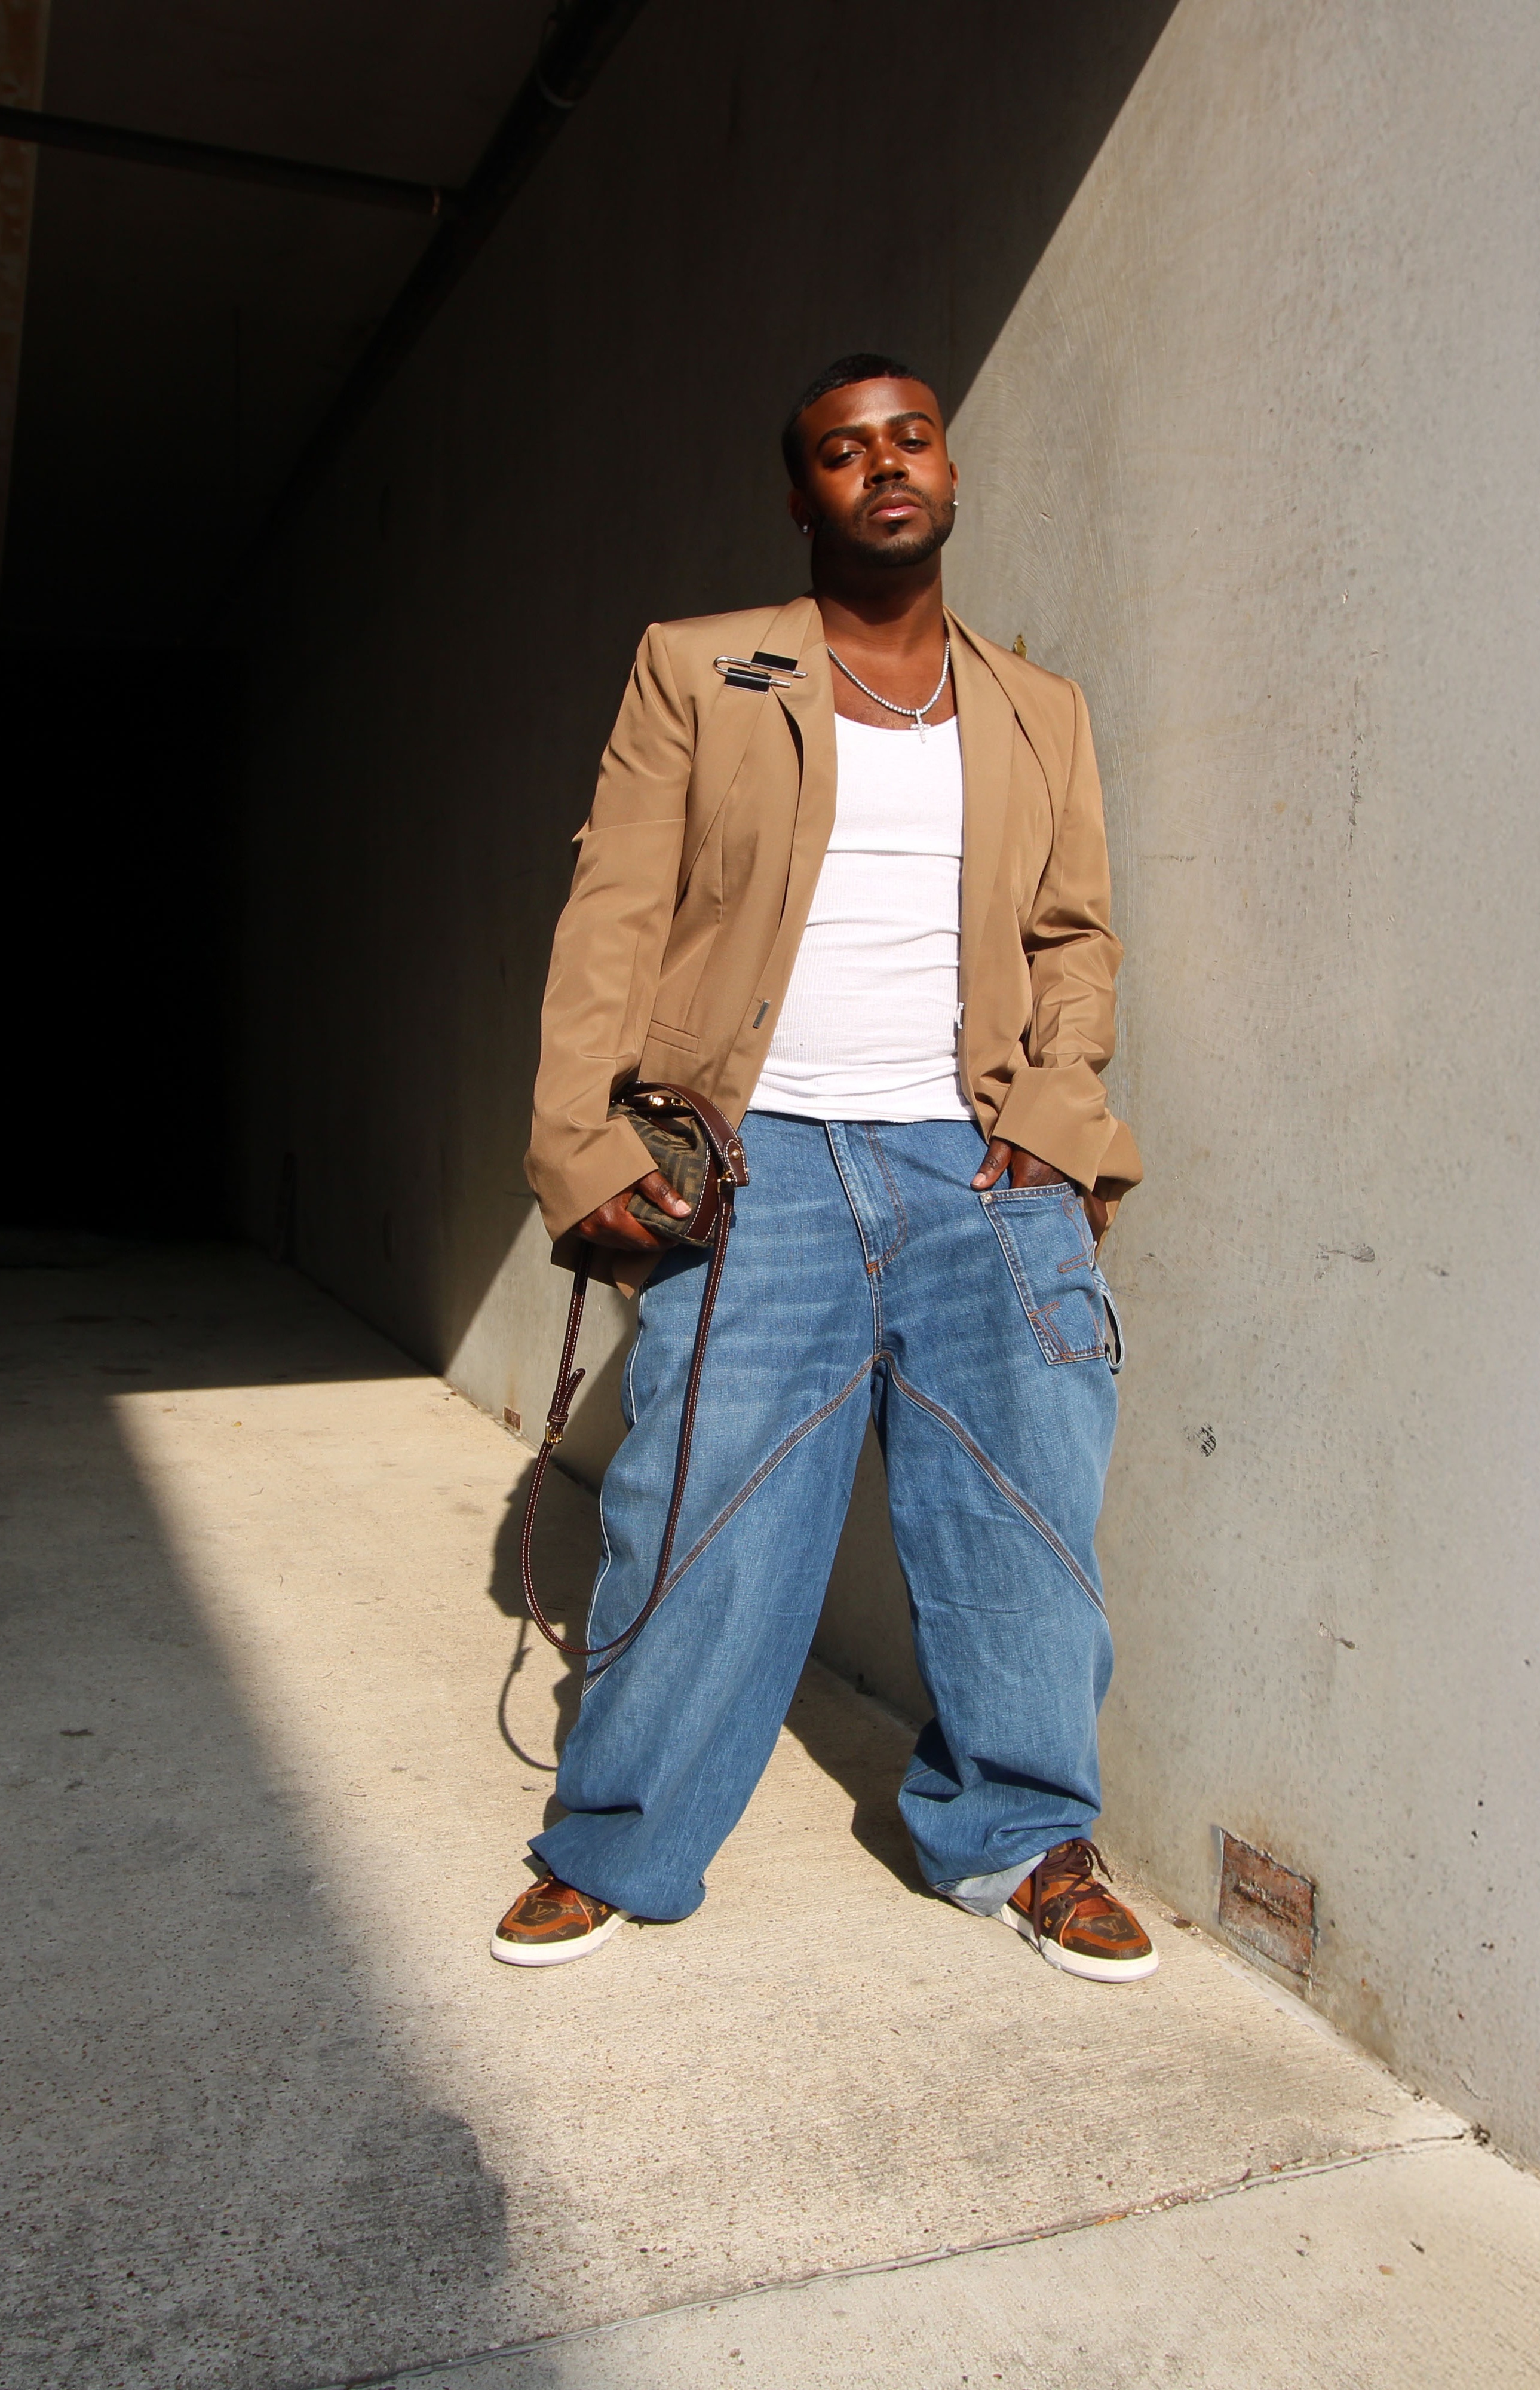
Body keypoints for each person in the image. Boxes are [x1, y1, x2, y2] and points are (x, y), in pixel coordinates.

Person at [494, 353, 1155, 1984]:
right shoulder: (699, 669)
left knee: (1023, 1527)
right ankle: (619, 1843)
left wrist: (1054, 1114)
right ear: (803, 496)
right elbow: (614, 916)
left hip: (978, 1170)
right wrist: (577, 1141)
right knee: (695, 1519)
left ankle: (1021, 1838)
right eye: (846, 451)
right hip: (756, 1165)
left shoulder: (1040, 708)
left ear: (950, 471)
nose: (886, 466)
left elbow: (1072, 937)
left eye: (911, 438)